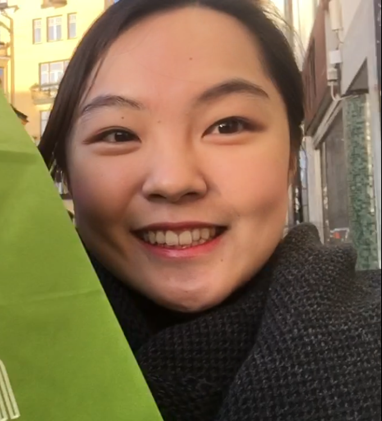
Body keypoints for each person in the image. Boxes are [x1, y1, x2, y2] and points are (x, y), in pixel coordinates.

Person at [38, 0, 381, 420]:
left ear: (291, 157)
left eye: (227, 126)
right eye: (118, 134)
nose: (173, 181)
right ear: (65, 172)